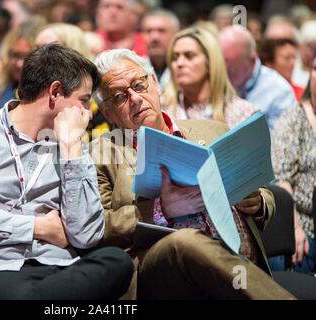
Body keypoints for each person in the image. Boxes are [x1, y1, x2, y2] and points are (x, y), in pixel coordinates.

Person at [0, 43, 133, 300]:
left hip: (58, 270)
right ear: (55, 92)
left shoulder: (73, 147)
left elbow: (86, 236)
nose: (88, 114)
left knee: (117, 262)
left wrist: (70, 149)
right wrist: (34, 227)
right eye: (83, 101)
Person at [91, 48, 295, 299]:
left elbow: (266, 194)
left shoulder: (212, 130)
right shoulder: (100, 154)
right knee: (187, 241)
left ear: (154, 84)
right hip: (162, 267)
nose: (135, 99)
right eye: (119, 96)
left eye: (139, 85)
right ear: (108, 112)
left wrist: (258, 202)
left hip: (238, 258)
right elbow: (96, 228)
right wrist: (160, 210)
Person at [269, 56, 316, 274]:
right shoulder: (294, 119)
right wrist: (293, 227)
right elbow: (281, 181)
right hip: (303, 223)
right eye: (315, 69)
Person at [163, 27, 257, 129]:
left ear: (210, 62)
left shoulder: (242, 114)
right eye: (175, 57)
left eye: (189, 56)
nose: (179, 63)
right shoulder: (162, 111)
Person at [218, 25, 297, 129]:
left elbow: (283, 141)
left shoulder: (280, 91)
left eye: (233, 71)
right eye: (221, 69)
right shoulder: (214, 81)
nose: (226, 77)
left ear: (252, 60)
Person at [140, 9, 180, 90]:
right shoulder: (135, 69)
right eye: (148, 31)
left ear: (176, 34)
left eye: (162, 31)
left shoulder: (185, 67)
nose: (155, 37)